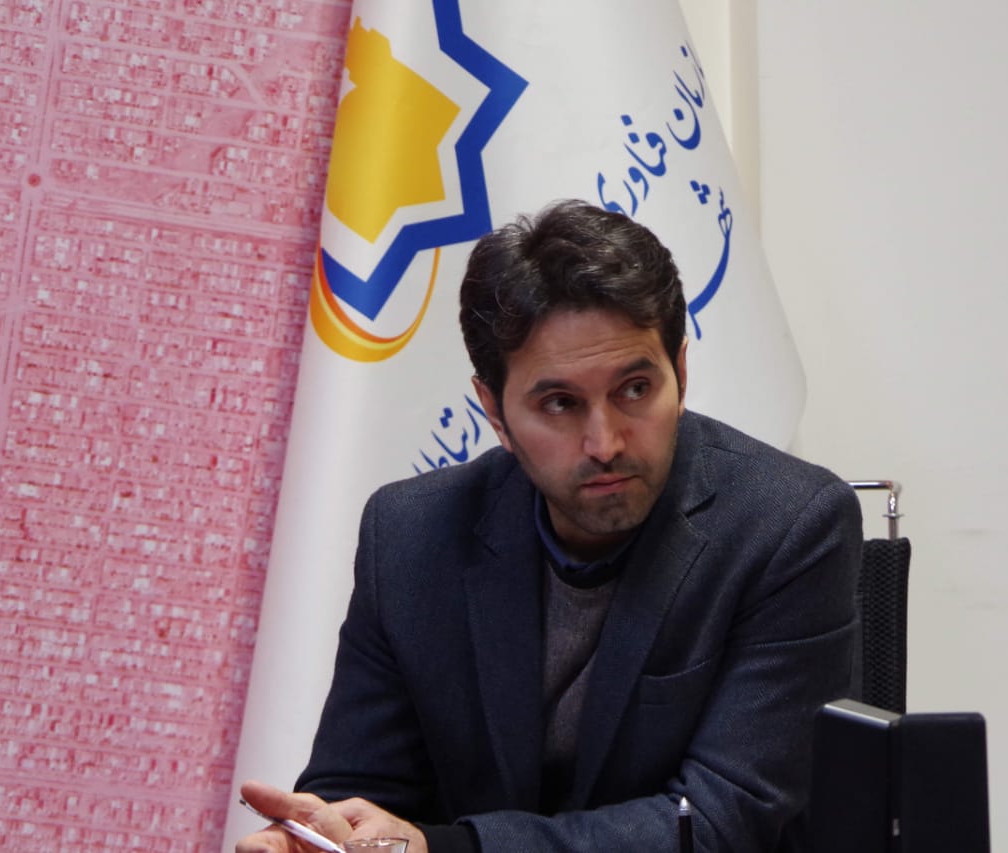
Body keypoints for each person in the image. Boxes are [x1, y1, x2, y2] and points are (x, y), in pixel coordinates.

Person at [237, 199, 862, 853]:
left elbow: (720, 822)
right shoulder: (410, 534)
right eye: (560, 403)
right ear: (495, 412)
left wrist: (452, 850)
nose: (605, 442)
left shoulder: (789, 525)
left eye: (635, 388)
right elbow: (361, 789)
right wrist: (320, 839)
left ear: (680, 371)